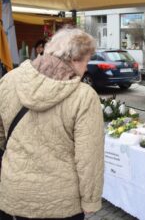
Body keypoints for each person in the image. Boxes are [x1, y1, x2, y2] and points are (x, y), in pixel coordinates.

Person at [0, 27, 104, 219]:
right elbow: (89, 158)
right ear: (73, 59)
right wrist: (90, 200)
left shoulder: (8, 80)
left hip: (13, 194)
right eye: (86, 61)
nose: (87, 68)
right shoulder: (84, 96)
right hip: (61, 202)